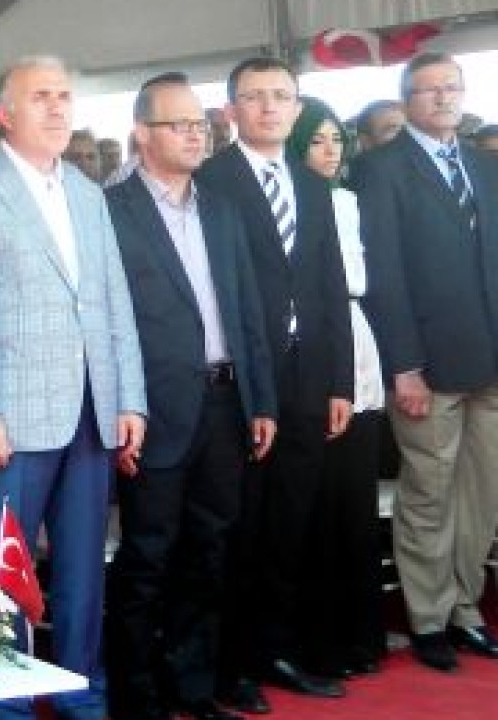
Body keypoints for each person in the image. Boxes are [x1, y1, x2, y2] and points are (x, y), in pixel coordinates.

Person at [0, 55, 146, 720]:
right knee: (2, 568)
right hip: (12, 416)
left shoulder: (88, 192)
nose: (58, 107)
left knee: (83, 568)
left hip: (92, 410)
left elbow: (113, 300)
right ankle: (5, 700)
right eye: (41, 97)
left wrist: (129, 398)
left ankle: (81, 693)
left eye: (65, 95)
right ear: (4, 114)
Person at [105, 72, 277, 720]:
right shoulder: (111, 210)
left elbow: (248, 310)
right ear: (142, 134)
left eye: (199, 124)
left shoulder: (221, 209)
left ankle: (193, 686)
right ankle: (137, 694)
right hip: (152, 409)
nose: (195, 134)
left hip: (225, 403)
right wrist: (120, 408)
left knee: (210, 550)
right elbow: (104, 321)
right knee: (148, 554)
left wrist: (261, 400)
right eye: (178, 125)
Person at [197, 57, 354, 711]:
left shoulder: (312, 185)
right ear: (231, 109)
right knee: (241, 525)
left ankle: (276, 649)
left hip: (308, 375)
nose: (269, 108)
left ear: (297, 106)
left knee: (292, 521)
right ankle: (230, 664)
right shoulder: (211, 180)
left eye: (281, 96)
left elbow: (329, 285)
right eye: (254, 97)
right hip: (240, 379)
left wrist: (340, 380)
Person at [350, 52, 498, 672]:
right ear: (407, 99)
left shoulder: (484, 166)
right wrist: (403, 365)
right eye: (429, 89)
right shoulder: (379, 169)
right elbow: (383, 274)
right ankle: (429, 617)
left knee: (483, 495)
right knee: (430, 495)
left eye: (452, 88)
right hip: (427, 366)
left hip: (490, 359)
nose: (443, 98)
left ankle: (467, 609)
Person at [285, 95, 387, 677]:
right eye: (316, 140)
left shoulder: (350, 201)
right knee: (316, 501)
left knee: (356, 496)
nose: (329, 151)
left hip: (358, 335)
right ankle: (316, 637)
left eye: (336, 139)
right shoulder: (291, 200)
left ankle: (362, 634)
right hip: (310, 339)